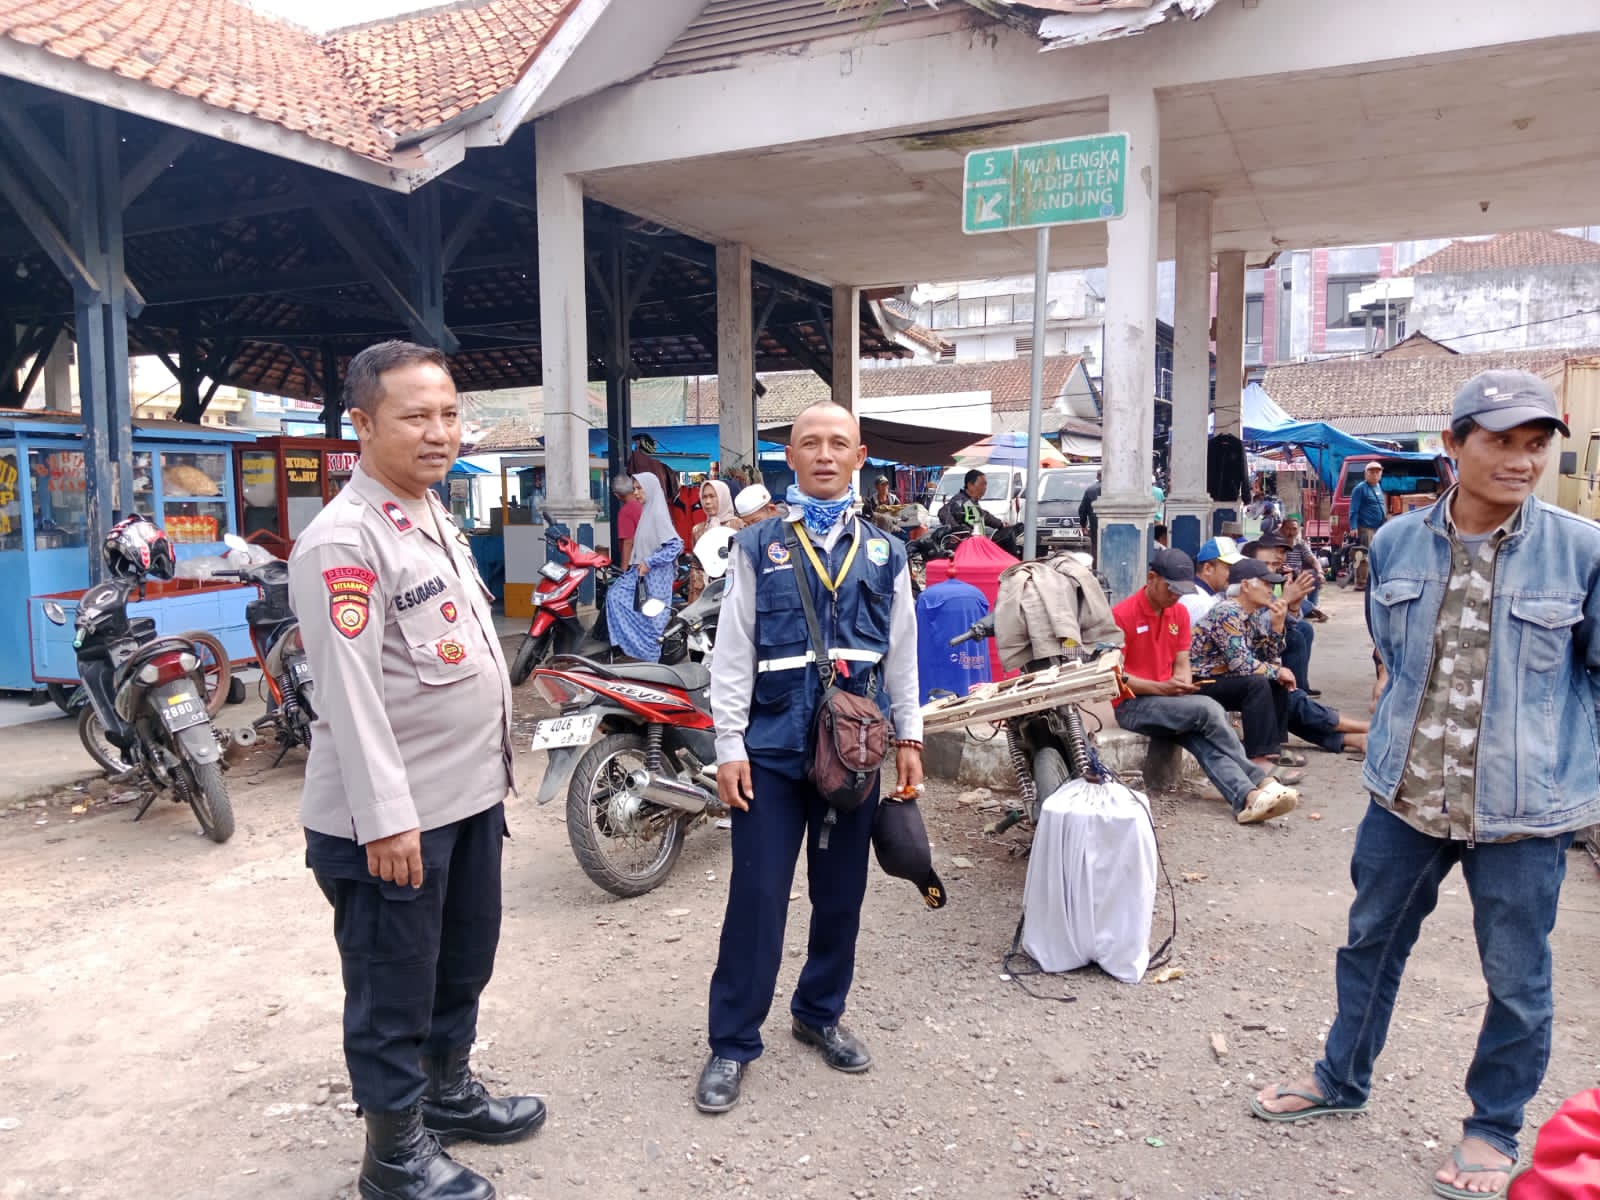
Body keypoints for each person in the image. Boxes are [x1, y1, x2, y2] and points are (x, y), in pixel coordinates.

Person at [1252, 369, 1600, 1199]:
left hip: (1523, 809)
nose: (1521, 461)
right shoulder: (1397, 545)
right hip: (1405, 794)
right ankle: (1341, 1077)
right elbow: (1394, 655)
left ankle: (1493, 1127)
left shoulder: (1582, 552)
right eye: (1501, 442)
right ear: (1454, 444)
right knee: (1370, 943)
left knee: (1517, 977)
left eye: (1536, 445)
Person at [288, 341, 544, 1200]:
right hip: (393, 822)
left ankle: (448, 1093)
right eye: (416, 417)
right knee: (392, 987)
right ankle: (393, 1155)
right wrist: (387, 819)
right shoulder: (343, 540)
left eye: (449, 414)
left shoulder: (428, 514)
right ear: (363, 425)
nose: (440, 433)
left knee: (461, 961)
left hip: (465, 798)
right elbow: (351, 698)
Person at [697, 400, 922, 1115]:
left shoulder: (887, 553)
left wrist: (910, 738)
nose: (824, 455)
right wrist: (728, 745)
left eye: (838, 444)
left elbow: (903, 655)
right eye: (810, 444)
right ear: (789, 457)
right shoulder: (756, 547)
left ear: (859, 458)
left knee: (841, 894)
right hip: (770, 750)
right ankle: (733, 1042)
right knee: (757, 899)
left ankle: (819, 1012)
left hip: (853, 751)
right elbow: (732, 652)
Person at [1111, 549, 1298, 825]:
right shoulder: (1121, 615)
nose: (1175, 596)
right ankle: (1261, 778)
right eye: (1171, 589)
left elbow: (1182, 661)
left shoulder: (1178, 613)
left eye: (1181, 591)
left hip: (1169, 702)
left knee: (1204, 742)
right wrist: (1162, 688)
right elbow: (1116, 677)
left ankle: (1248, 798)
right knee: (1208, 709)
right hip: (1132, 705)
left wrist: (1182, 682)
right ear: (1151, 578)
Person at [1192, 558, 1367, 769]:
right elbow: (1241, 664)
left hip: (1225, 679)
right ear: (1246, 586)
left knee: (1274, 682)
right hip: (1202, 682)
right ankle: (1259, 759)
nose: (1271, 590)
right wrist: (1276, 671)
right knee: (1258, 683)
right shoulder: (1227, 611)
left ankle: (1274, 748)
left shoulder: (1251, 614)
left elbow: (1266, 658)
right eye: (1266, 584)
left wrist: (1276, 627)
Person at [606, 473, 683, 662]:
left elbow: (676, 545)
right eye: (634, 489)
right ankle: (637, 652)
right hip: (642, 574)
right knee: (616, 597)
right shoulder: (647, 512)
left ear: (650, 488)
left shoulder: (657, 514)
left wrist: (650, 562)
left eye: (640, 488)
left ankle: (650, 658)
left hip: (656, 576)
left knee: (651, 620)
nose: (636, 493)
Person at [1249, 531, 1319, 695]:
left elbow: (1285, 619)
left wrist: (1294, 606)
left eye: (1283, 552)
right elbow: (1254, 628)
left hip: (1262, 640)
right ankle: (1295, 694)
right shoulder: (1246, 583)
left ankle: (1298, 689)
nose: (1280, 556)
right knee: (1294, 637)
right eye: (1266, 562)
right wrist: (1285, 601)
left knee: (1302, 629)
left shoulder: (1273, 577)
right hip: (1251, 649)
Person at [1180, 536, 1241, 624]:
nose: (1233, 573)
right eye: (1228, 568)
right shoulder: (1200, 603)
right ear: (1207, 569)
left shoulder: (1205, 594)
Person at [1279, 515, 1327, 621]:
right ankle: (1311, 609)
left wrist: (1320, 572)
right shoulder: (1276, 543)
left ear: (1298, 530)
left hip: (1296, 574)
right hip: (1280, 574)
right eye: (1288, 529)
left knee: (1314, 575)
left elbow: (1313, 560)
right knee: (1290, 579)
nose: (1291, 532)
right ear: (1282, 529)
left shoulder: (1300, 543)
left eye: (1294, 529)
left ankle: (1310, 607)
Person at [1347, 461, 1388, 587]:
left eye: (1377, 472)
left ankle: (1372, 581)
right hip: (1365, 528)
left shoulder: (1378, 486)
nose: (1375, 475)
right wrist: (1353, 527)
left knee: (1375, 555)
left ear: (1381, 474)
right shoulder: (1360, 489)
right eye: (1372, 472)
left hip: (1378, 527)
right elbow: (1353, 509)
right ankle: (1361, 583)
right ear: (1366, 474)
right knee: (1363, 556)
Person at [938, 468, 1004, 537]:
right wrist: (963, 532)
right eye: (982, 484)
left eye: (985, 485)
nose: (985, 488)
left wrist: (1000, 524)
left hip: (977, 541)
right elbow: (943, 512)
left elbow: (984, 515)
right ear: (970, 485)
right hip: (968, 542)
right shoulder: (962, 501)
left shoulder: (971, 502)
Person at [612, 472, 643, 569]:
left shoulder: (626, 511)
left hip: (635, 562)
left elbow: (628, 542)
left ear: (616, 495)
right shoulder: (643, 504)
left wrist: (624, 570)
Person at [1078, 471, 1102, 554]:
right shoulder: (1115, 489)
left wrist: (1083, 525)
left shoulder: (1090, 490)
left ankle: (1096, 561)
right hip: (1114, 524)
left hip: (1095, 525)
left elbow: (1082, 510)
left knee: (1096, 546)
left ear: (1097, 477)